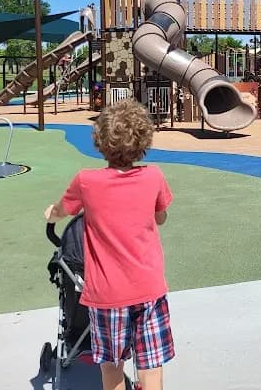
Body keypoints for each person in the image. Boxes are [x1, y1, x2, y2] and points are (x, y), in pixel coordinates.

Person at [44, 99, 174, 390]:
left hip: (107, 294)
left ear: (99, 141)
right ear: (145, 140)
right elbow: (161, 216)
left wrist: (51, 212)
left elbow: (63, 210)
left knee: (112, 368)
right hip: (149, 288)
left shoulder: (87, 181)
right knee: (151, 367)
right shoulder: (153, 176)